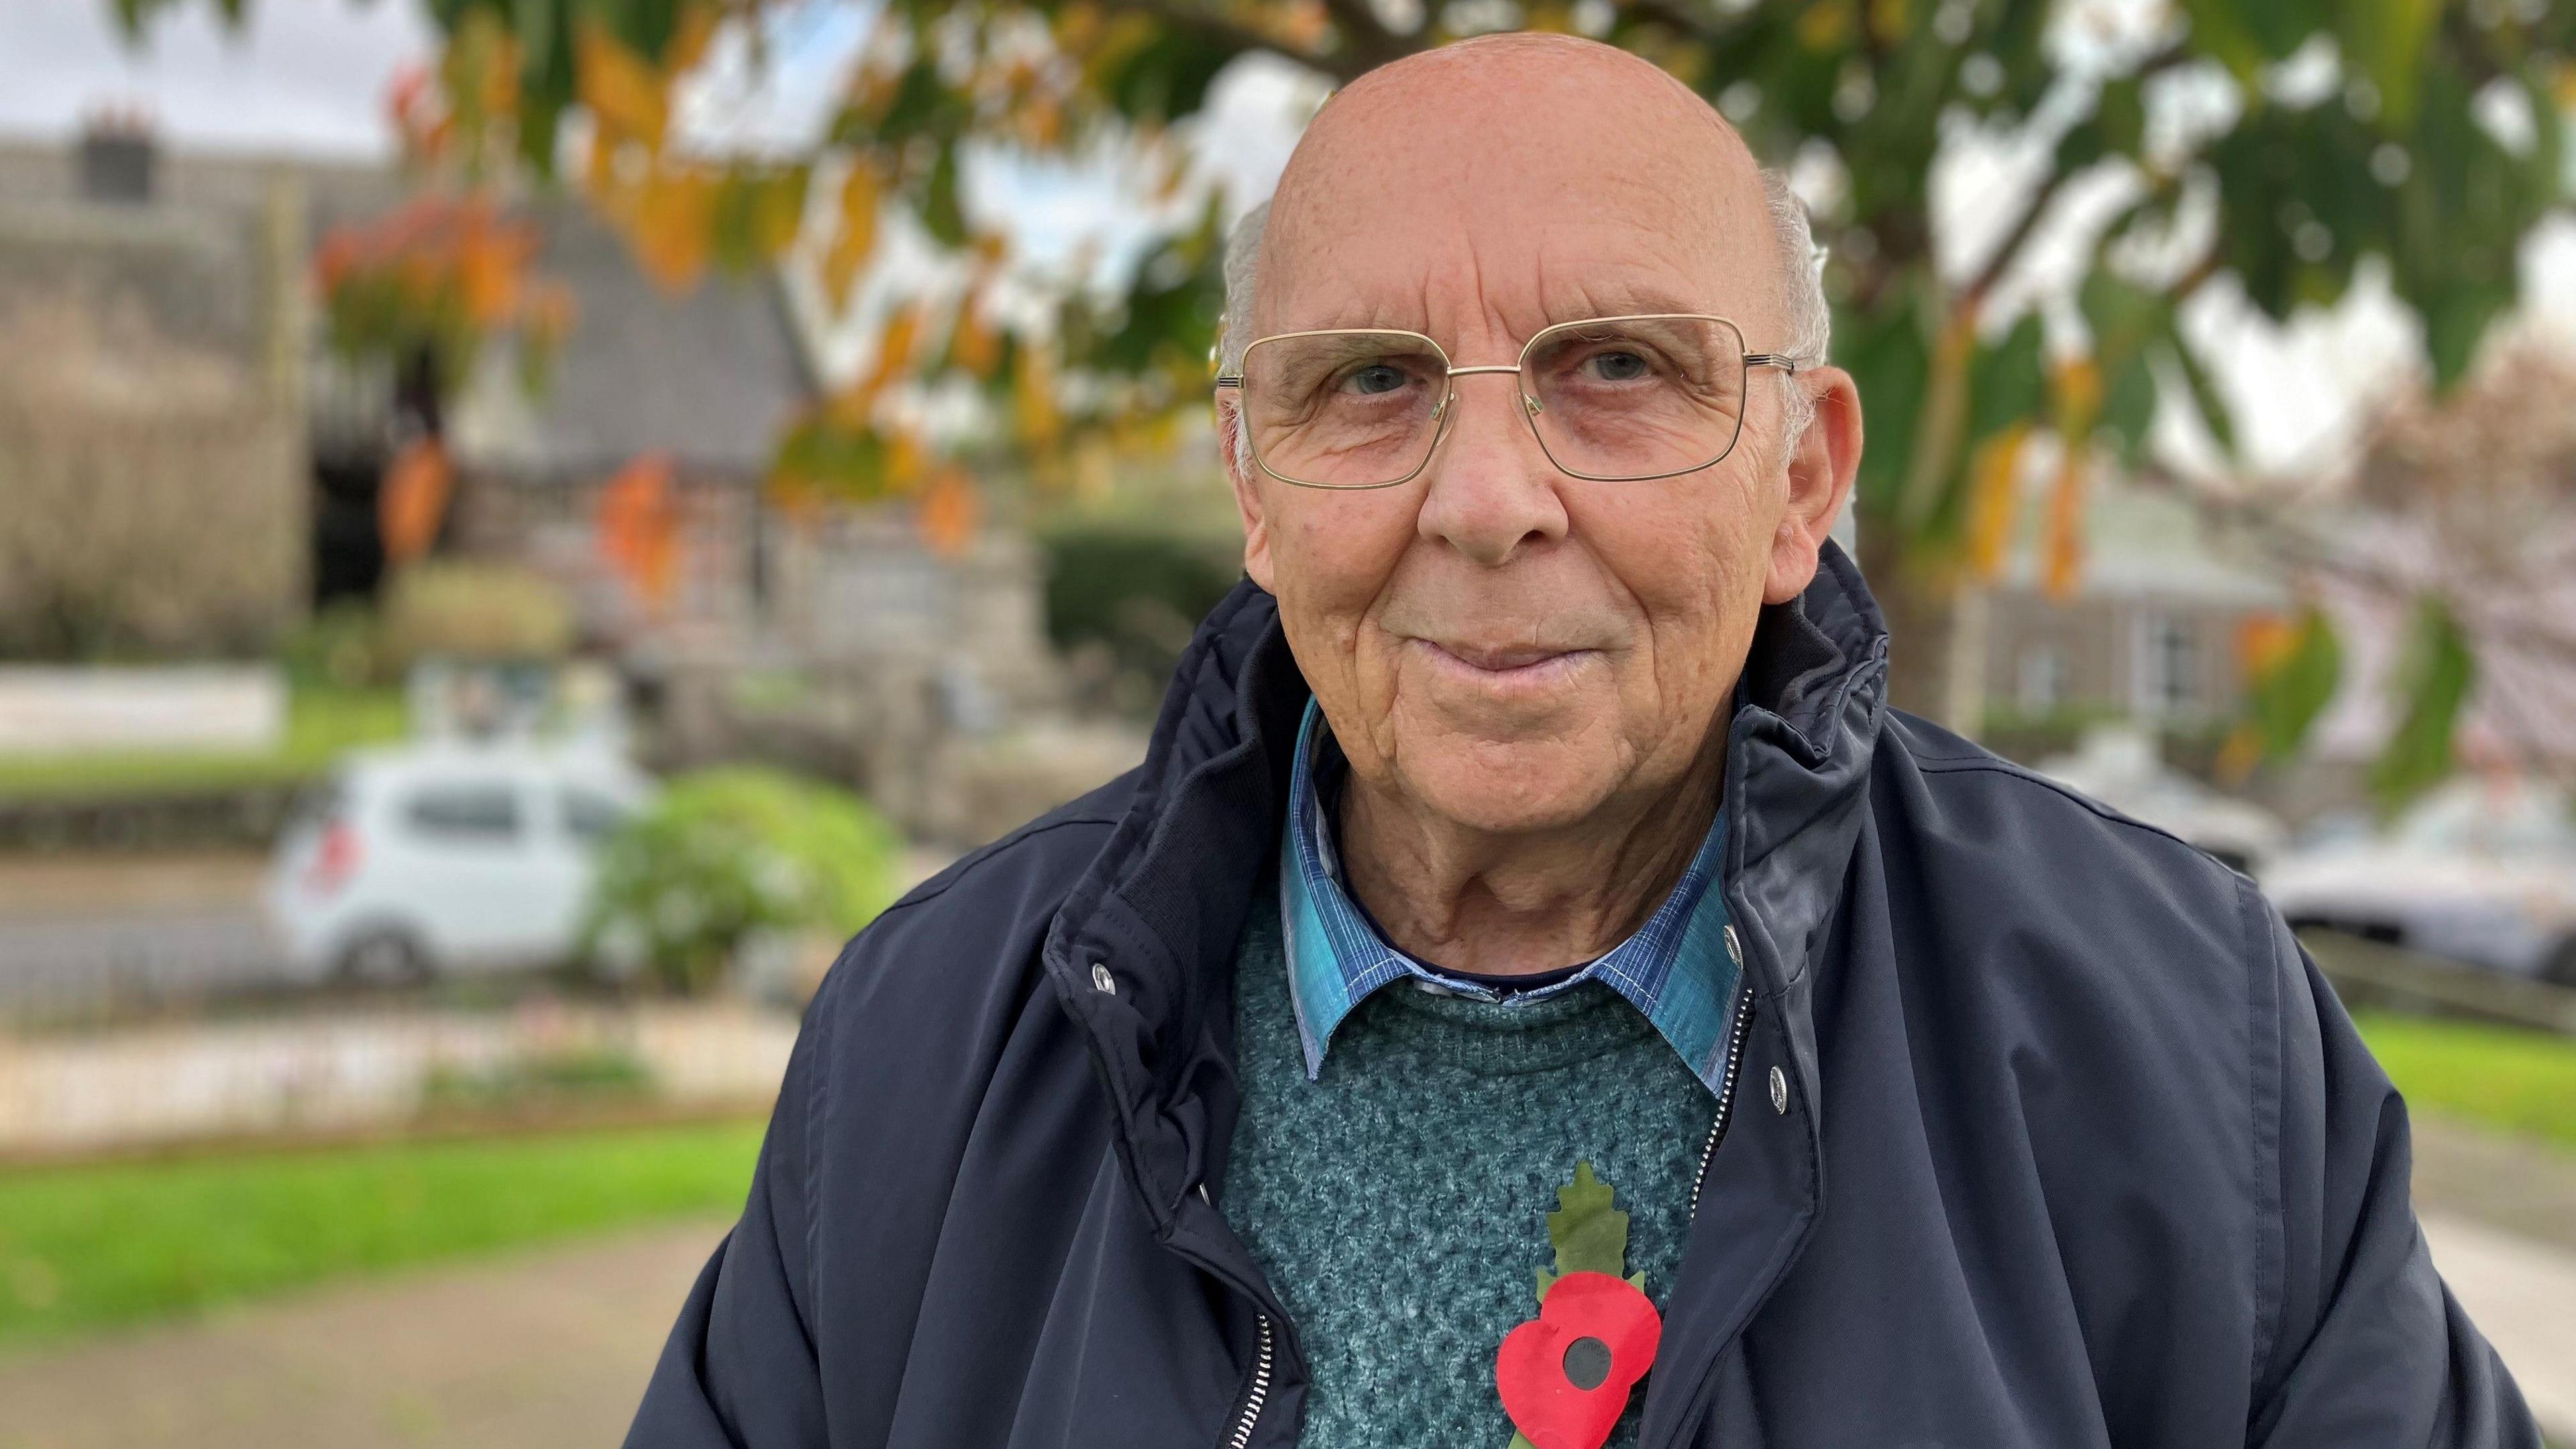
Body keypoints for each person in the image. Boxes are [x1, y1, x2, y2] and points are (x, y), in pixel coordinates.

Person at [625, 33, 2536, 1449]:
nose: (1484, 500)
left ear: (1805, 477)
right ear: (1254, 485)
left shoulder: (2189, 1048)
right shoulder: (924, 1051)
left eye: (1615, 371)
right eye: (1369, 383)